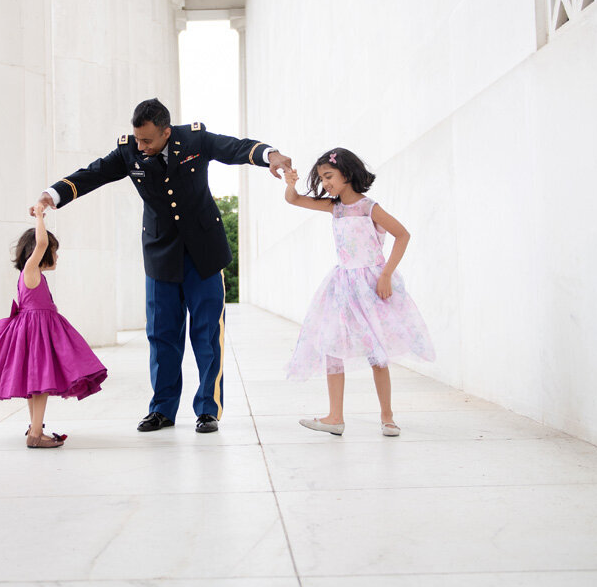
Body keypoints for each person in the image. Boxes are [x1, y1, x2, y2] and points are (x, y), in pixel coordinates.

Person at [33, 98, 292, 433]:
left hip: (204, 253)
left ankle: (208, 409)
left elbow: (235, 148)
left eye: (148, 141)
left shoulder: (195, 141)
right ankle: (162, 410)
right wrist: (51, 195)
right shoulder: (129, 152)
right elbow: (92, 174)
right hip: (160, 255)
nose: (141, 147)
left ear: (167, 132)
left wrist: (269, 155)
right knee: (162, 335)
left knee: (207, 333)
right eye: (138, 139)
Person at [282, 147, 435, 436]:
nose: (325, 183)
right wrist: (290, 182)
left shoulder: (368, 208)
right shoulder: (334, 207)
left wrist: (386, 274)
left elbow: (403, 234)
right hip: (342, 286)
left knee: (377, 353)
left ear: (347, 174)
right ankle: (335, 417)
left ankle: (387, 417)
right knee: (332, 348)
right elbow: (294, 200)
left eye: (329, 176)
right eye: (321, 178)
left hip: (371, 285)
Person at [0, 207, 108, 448]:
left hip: (35, 332)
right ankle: (36, 434)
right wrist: (40, 218)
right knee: (41, 382)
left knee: (35, 385)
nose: (56, 255)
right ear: (38, 252)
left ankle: (35, 428)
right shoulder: (31, 270)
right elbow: (42, 242)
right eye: (54, 251)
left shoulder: (35, 275)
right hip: (36, 334)